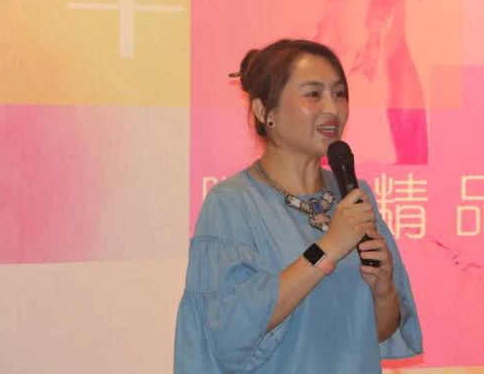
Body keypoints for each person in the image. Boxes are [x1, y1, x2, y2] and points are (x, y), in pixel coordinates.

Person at [174, 39, 422, 373]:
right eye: (313, 94)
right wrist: (328, 249)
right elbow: (228, 333)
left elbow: (377, 331)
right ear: (265, 111)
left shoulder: (353, 194)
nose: (332, 108)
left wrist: (382, 290)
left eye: (339, 93)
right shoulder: (232, 203)